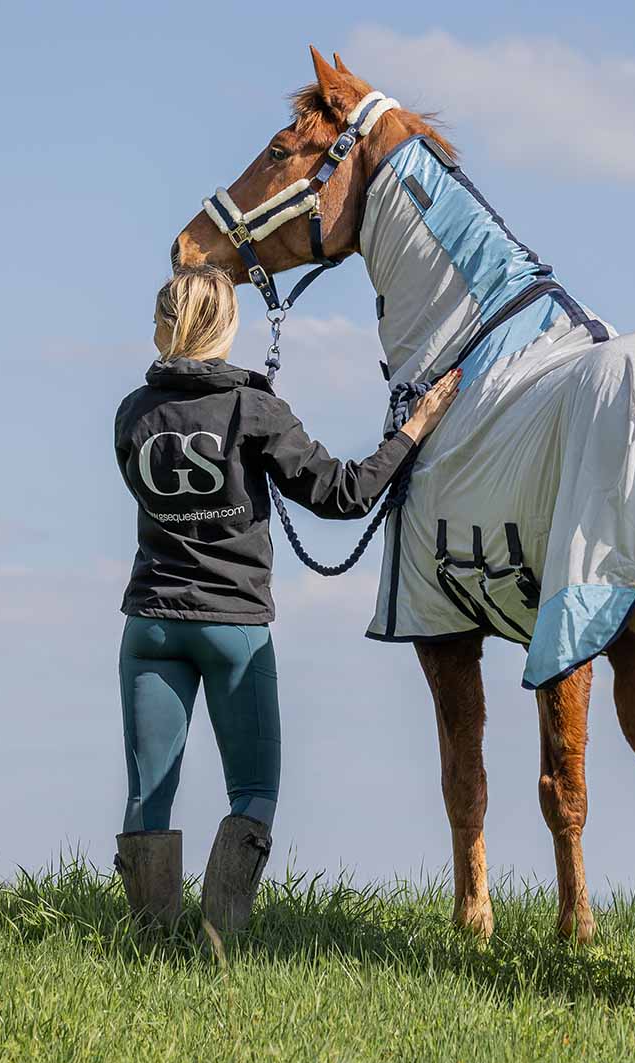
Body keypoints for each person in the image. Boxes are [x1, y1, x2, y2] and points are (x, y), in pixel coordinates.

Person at [112, 265, 459, 935]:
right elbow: (345, 494)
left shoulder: (134, 411)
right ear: (229, 327)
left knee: (147, 794)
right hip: (233, 624)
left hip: (150, 622)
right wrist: (414, 430)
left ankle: (150, 947)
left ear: (163, 325)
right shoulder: (254, 408)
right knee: (254, 791)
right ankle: (220, 936)